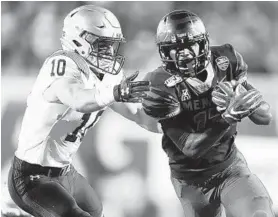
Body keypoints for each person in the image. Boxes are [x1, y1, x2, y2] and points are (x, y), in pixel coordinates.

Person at [7, 5, 157, 217]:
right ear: (79, 40)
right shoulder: (61, 64)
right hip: (31, 175)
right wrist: (114, 93)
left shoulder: (109, 76)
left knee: (96, 210)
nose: (109, 53)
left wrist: (181, 123)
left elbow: (138, 116)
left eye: (111, 46)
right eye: (102, 45)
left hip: (65, 172)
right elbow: (77, 98)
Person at [141, 10, 275, 217]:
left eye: (188, 45)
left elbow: (265, 117)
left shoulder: (225, 60)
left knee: (259, 212)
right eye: (175, 49)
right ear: (164, 53)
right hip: (191, 180)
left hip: (231, 167)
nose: (184, 54)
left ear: (203, 43)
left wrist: (246, 103)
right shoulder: (160, 84)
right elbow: (191, 148)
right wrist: (228, 117)